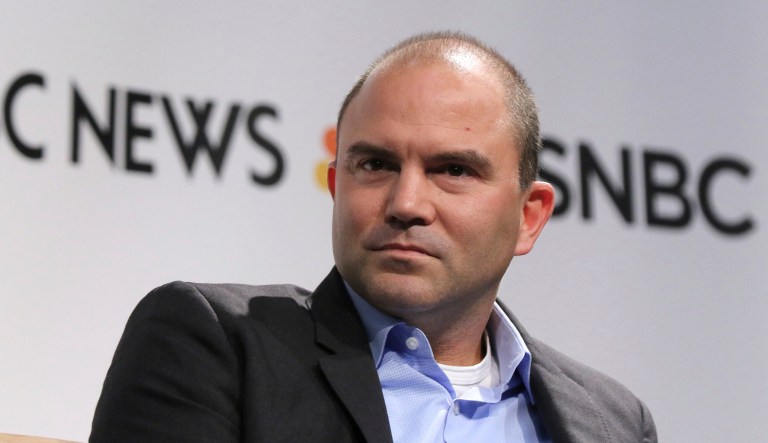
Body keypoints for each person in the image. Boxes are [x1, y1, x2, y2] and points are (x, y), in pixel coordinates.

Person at [90, 32, 657, 443]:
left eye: (454, 170)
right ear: (337, 186)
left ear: (529, 216)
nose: (406, 204)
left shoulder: (613, 420)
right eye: (376, 164)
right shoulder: (217, 343)